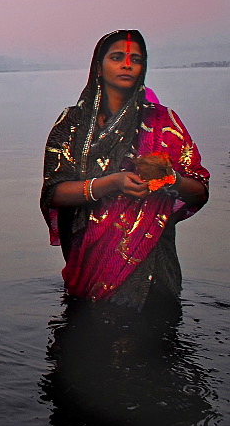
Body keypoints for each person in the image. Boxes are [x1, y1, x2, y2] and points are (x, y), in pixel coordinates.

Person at [41, 30, 209, 311]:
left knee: (157, 338)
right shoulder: (72, 124)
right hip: (90, 261)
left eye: (136, 59)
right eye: (117, 57)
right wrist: (112, 183)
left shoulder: (163, 122)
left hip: (153, 262)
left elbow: (200, 191)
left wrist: (171, 178)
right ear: (99, 65)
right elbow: (54, 193)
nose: (127, 64)